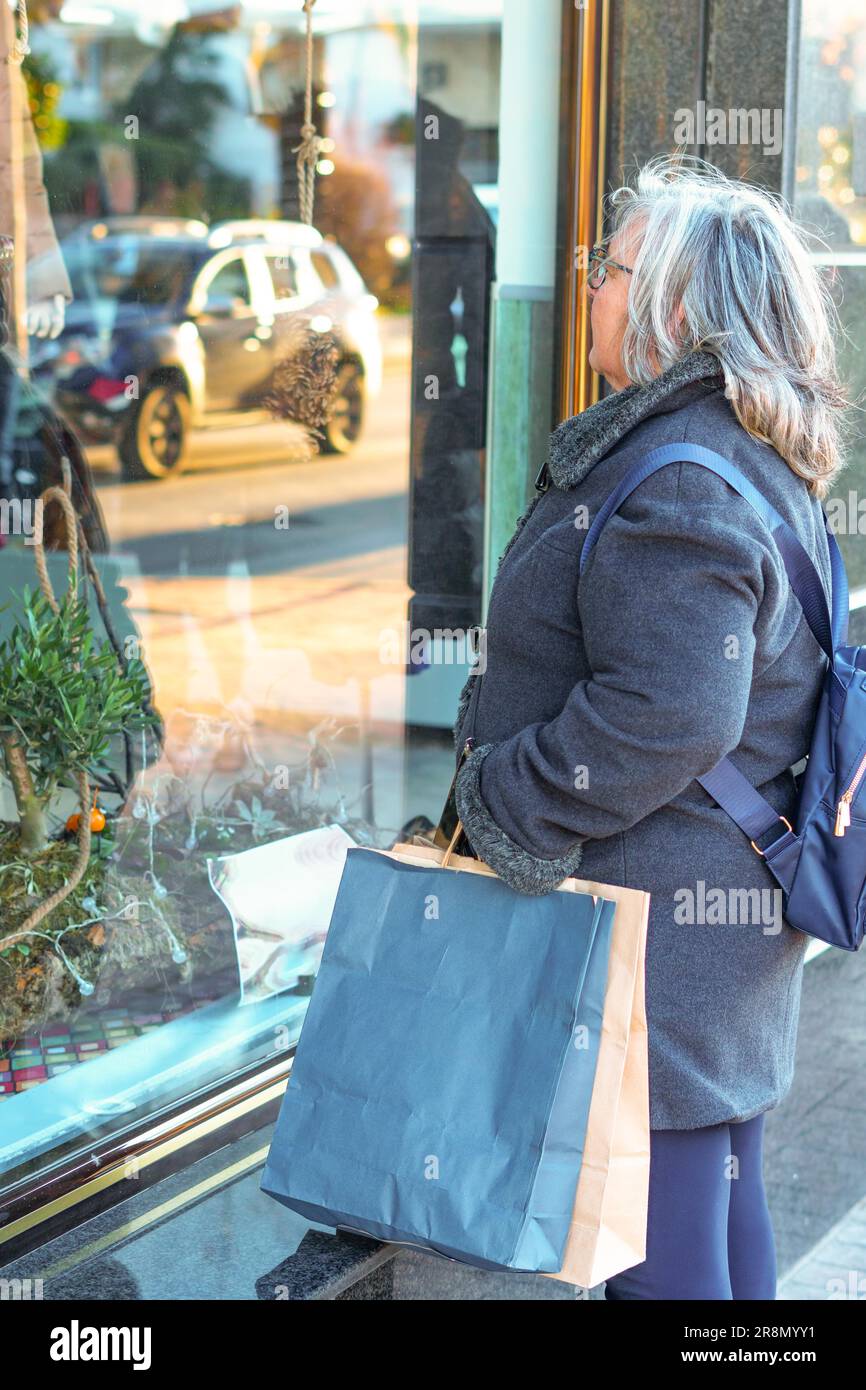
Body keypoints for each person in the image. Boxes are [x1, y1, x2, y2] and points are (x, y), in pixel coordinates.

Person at [451, 154, 849, 1300]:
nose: (590, 285)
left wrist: (500, 800)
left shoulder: (677, 476)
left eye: (608, 267)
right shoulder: (746, 449)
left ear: (672, 307)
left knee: (656, 1252)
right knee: (719, 1206)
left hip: (653, 935)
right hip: (709, 922)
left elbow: (671, 711)